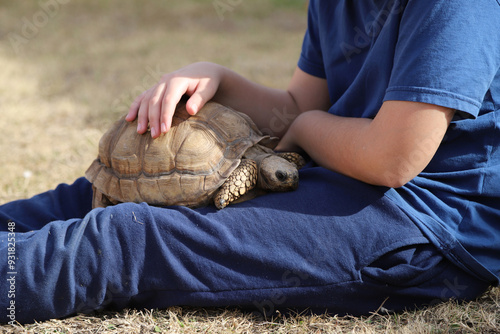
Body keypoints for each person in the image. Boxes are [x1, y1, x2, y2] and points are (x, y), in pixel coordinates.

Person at [2, 0, 500, 324]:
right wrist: (218, 77)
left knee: (127, 238)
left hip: (430, 220)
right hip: (344, 173)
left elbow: (394, 158)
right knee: (92, 196)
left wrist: (304, 132)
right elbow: (299, 107)